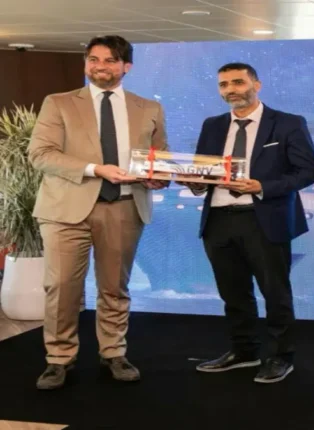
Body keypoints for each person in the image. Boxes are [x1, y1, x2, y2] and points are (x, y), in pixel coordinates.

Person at [28, 35, 169, 390]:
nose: (99, 66)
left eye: (109, 60)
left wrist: (159, 178)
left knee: (115, 287)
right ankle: (59, 358)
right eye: (93, 59)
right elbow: (41, 154)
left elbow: (160, 157)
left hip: (124, 207)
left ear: (126, 66)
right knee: (62, 287)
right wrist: (95, 169)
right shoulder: (59, 103)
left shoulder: (148, 108)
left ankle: (114, 353)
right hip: (65, 209)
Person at [181, 63, 314, 384]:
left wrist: (262, 186)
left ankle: (281, 356)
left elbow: (308, 171)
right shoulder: (212, 125)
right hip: (218, 220)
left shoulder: (287, 123)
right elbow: (204, 173)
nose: (231, 89)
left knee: (275, 293)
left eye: (238, 82)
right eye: (224, 84)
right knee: (233, 294)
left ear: (256, 84)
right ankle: (244, 351)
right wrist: (195, 183)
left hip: (264, 219)